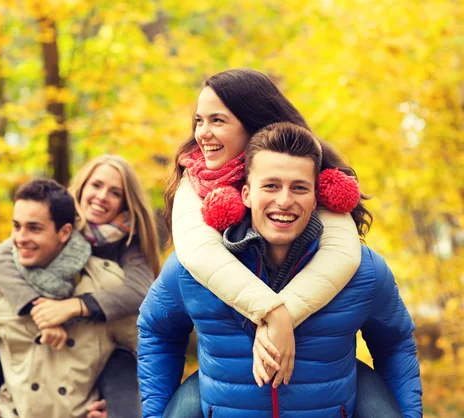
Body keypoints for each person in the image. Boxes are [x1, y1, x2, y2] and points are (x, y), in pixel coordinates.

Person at [138, 123, 422, 417]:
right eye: (271, 186)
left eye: (299, 188)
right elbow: (157, 331)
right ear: (246, 194)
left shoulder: (365, 271)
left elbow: (395, 343)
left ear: (315, 199)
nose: (284, 201)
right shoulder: (191, 268)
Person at [164, 68, 365, 393]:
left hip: (317, 368)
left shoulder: (305, 170)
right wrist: (271, 312)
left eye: (218, 120)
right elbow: (198, 252)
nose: (203, 133)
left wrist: (283, 315)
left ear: (254, 121)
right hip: (226, 373)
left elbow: (340, 255)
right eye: (199, 120)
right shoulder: (196, 176)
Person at [0, 155, 159, 418]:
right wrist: (41, 311)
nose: (102, 196)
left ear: (64, 232)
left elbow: (141, 307)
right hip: (20, 387)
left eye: (115, 192)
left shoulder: (124, 251)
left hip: (93, 353)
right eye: (96, 185)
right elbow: (1, 259)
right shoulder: (19, 252)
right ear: (81, 189)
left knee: (121, 361)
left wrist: (123, 402)